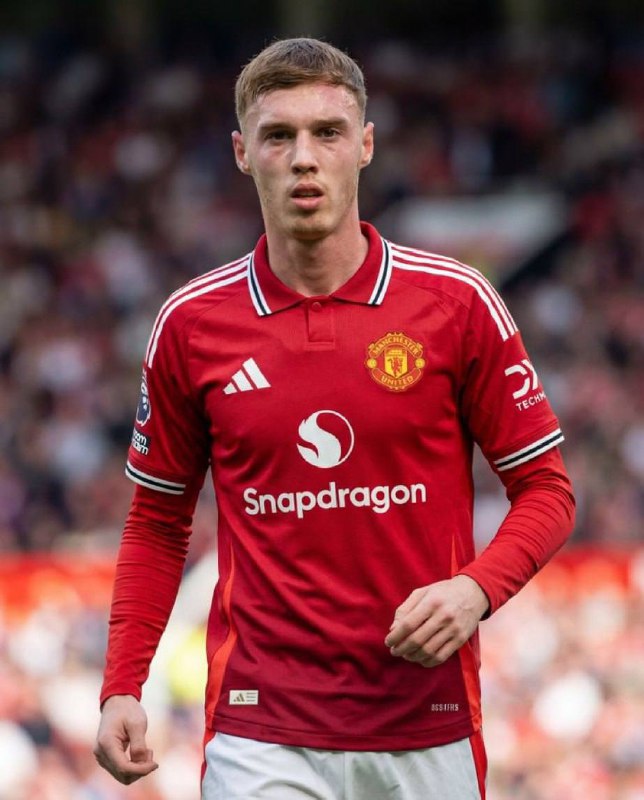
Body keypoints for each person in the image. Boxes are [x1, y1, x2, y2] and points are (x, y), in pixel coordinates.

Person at [94, 37, 575, 800]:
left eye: (328, 133)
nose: (304, 158)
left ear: (366, 145)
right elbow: (157, 519)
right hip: (261, 730)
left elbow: (547, 489)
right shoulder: (192, 324)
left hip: (427, 722)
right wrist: (122, 684)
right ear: (243, 154)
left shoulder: (456, 303)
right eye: (278, 136)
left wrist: (475, 590)